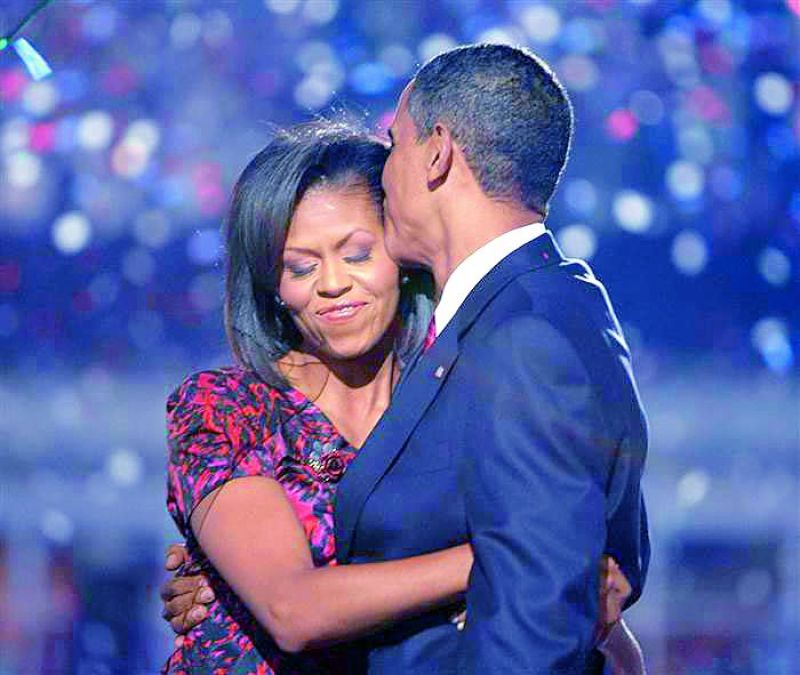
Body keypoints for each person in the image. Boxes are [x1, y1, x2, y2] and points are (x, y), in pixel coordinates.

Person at [160, 117, 644, 673]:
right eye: (301, 266)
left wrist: (571, 585)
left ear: (399, 250)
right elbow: (292, 610)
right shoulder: (227, 409)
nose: (332, 283)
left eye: (357, 253)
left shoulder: (457, 400)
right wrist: (523, 555)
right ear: (273, 287)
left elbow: (595, 625)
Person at [334, 43, 650, 673]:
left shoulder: (525, 336)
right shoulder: (535, 309)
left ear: (436, 152)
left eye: (393, 145)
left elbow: (533, 624)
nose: (383, 173)